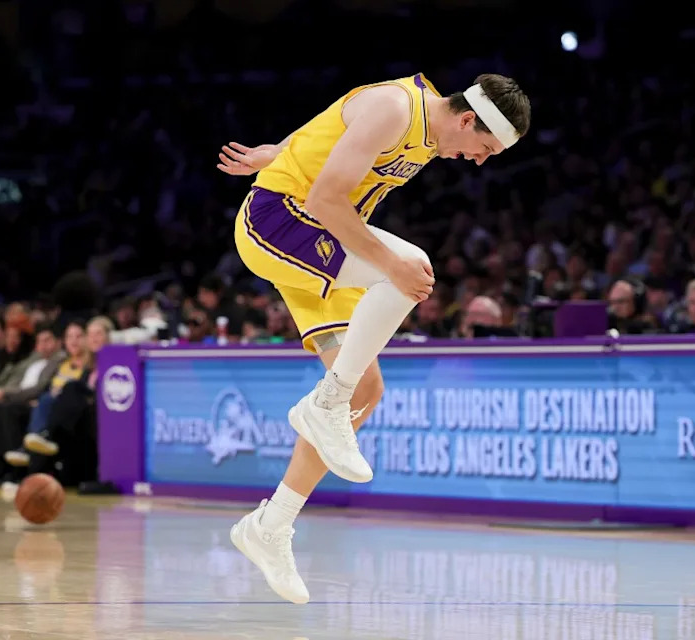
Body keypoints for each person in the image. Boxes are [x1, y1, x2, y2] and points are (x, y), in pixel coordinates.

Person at [216, 72, 530, 604]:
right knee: (411, 267)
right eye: (484, 148)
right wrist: (389, 265)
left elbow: (333, 129)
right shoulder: (396, 107)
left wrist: (280, 150)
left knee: (366, 391)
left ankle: (270, 526)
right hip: (280, 222)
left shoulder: (433, 135)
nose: (479, 160)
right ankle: (327, 403)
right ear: (467, 119)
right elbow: (324, 197)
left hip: (322, 236)